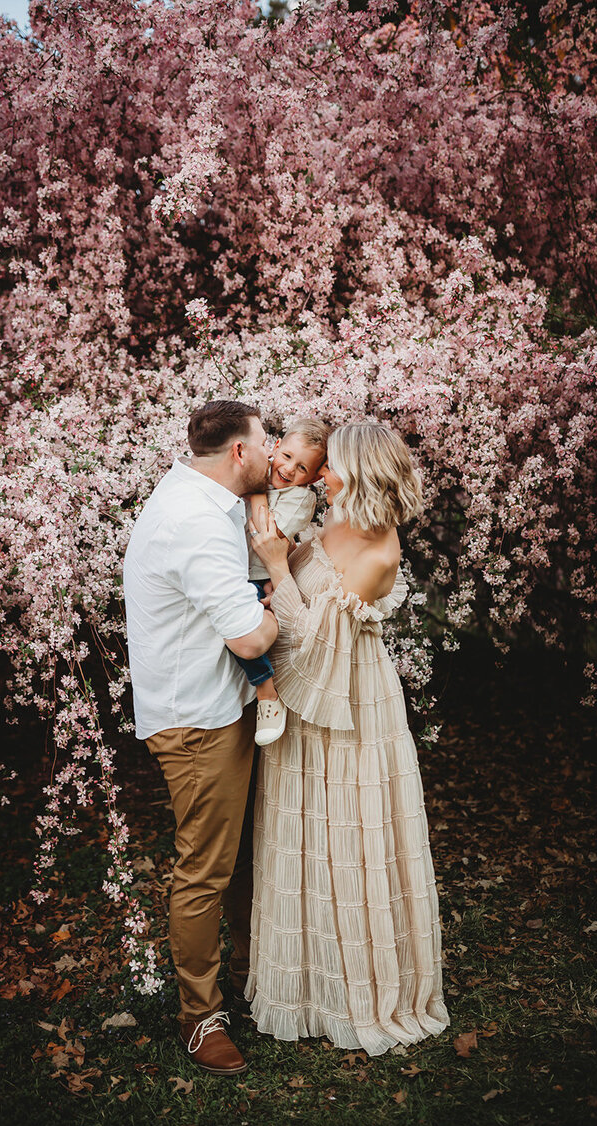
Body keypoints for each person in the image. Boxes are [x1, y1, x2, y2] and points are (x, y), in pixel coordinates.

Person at [245, 421, 450, 1055]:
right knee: (303, 833)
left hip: (349, 703)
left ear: (358, 473)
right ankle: (304, 982)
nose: (321, 477)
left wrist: (279, 563)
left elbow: (309, 642)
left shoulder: (379, 553)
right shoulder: (332, 521)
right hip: (306, 710)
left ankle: (356, 990)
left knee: (348, 833)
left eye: (331, 467)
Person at [123, 399, 278, 1075]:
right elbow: (247, 634)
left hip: (220, 705)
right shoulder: (195, 521)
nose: (274, 455)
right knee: (205, 869)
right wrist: (277, 609)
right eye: (266, 442)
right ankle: (199, 1017)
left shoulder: (202, 501)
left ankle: (250, 977)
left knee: (238, 857)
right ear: (238, 452)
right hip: (198, 721)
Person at [231, 418, 329, 748]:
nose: (288, 469)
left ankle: (266, 692)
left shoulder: (301, 499)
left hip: (258, 577)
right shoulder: (254, 471)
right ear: (275, 447)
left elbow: (266, 537)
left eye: (302, 468)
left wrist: (256, 488)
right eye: (286, 456)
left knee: (240, 629)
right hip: (230, 568)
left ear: (314, 478)